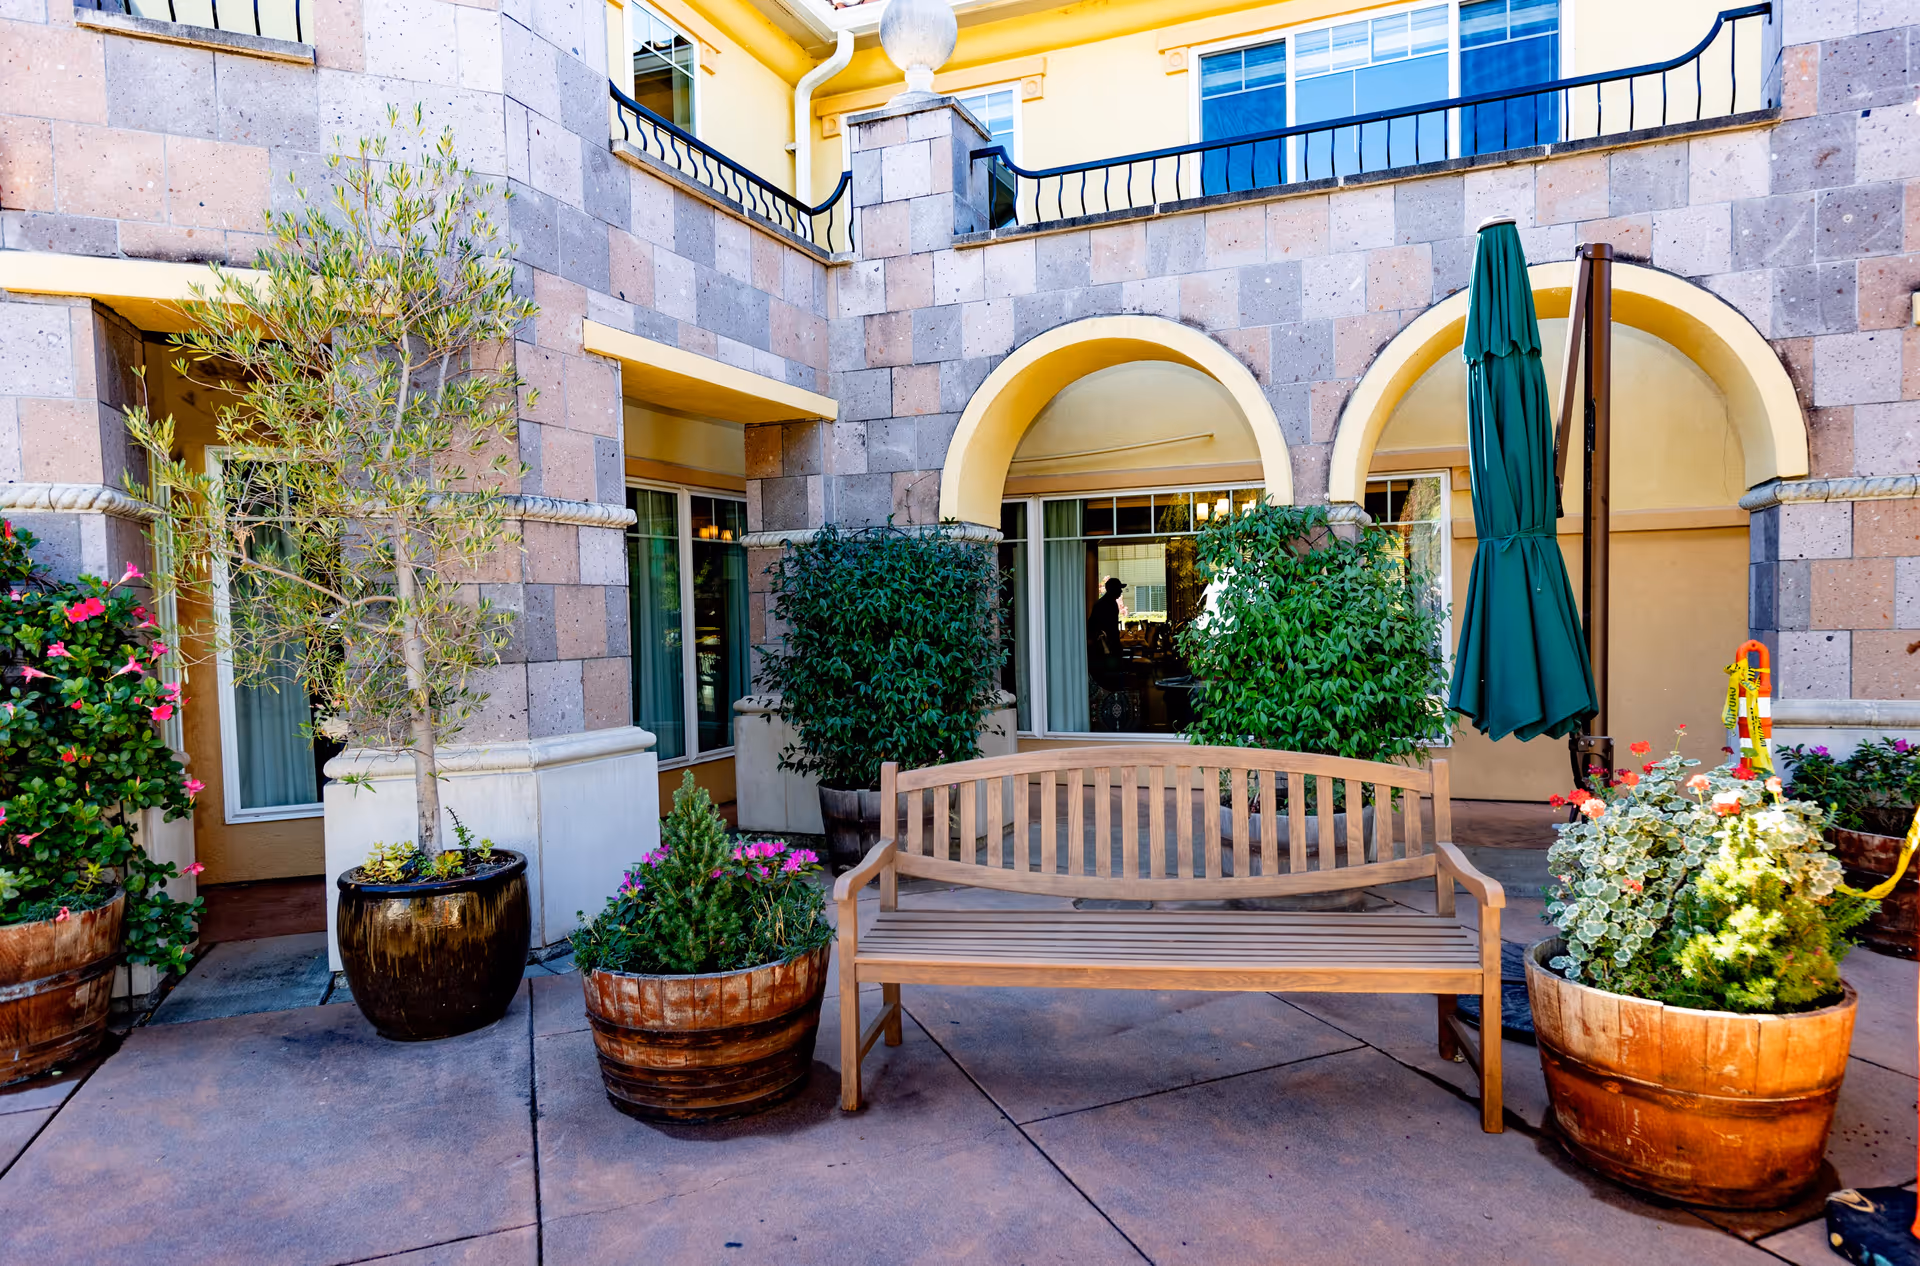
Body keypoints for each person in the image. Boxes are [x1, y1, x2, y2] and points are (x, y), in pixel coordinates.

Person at [1087, 577, 1125, 674]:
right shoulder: (1105, 604)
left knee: (1112, 672)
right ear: (1113, 590)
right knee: (1111, 672)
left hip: (1109, 645)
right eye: (1119, 588)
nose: (1121, 591)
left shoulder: (1107, 603)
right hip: (1107, 646)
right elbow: (1096, 626)